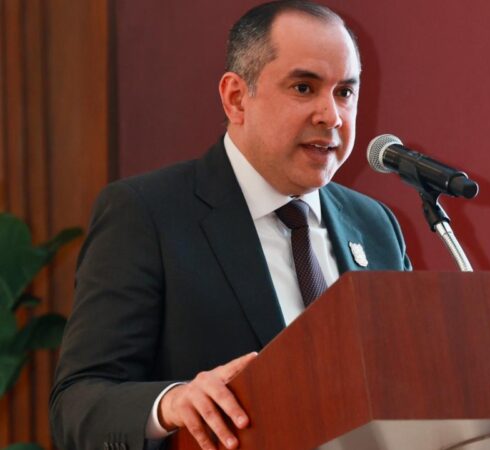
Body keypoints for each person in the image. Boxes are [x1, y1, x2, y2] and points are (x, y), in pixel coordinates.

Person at [49, 2, 411, 449]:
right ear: (236, 98)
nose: (331, 116)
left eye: (345, 92)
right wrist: (170, 403)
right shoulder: (146, 214)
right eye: (304, 87)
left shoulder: (375, 225)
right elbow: (77, 404)